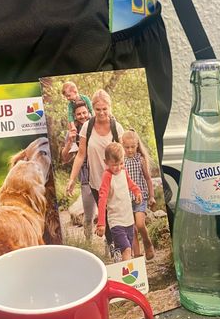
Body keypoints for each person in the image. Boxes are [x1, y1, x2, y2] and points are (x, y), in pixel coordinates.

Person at [66, 89, 124, 256]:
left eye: (104, 109)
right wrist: (72, 179)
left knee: (115, 216)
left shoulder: (116, 127)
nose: (101, 112)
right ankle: (112, 247)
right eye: (98, 109)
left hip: (115, 181)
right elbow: (80, 155)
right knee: (104, 215)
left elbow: (123, 156)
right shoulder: (87, 126)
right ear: (93, 108)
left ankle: (118, 246)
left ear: (109, 107)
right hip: (95, 181)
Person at [95, 142, 141, 262]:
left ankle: (118, 257)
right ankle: (128, 273)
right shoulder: (107, 176)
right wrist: (101, 223)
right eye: (114, 165)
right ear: (106, 162)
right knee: (127, 249)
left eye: (121, 163)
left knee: (128, 249)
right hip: (116, 221)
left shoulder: (123, 171)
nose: (118, 167)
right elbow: (102, 199)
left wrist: (137, 192)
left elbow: (131, 183)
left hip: (128, 219)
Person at [60, 100, 96, 242]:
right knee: (88, 216)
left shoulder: (96, 126)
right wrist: (69, 142)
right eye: (79, 114)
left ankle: (109, 245)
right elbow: (65, 158)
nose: (82, 116)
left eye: (84, 113)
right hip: (85, 179)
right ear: (74, 116)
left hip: (101, 175)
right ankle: (89, 242)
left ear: (88, 112)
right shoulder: (72, 133)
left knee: (107, 213)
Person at [122, 129, 156, 260]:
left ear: (137, 145)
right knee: (132, 229)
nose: (130, 150)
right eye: (127, 147)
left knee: (140, 224)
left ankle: (147, 243)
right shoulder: (121, 161)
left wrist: (151, 196)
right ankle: (137, 255)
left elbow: (148, 179)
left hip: (140, 197)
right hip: (126, 199)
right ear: (122, 145)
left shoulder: (140, 160)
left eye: (132, 147)